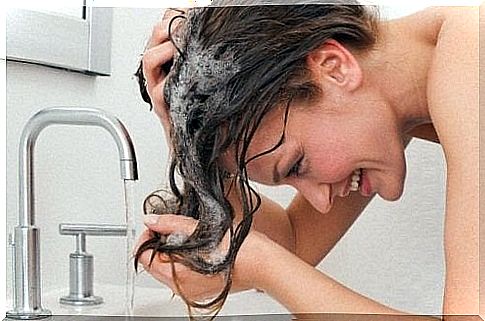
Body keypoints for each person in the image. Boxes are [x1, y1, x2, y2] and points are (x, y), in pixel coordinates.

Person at [134, 1, 480, 319]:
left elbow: (278, 259)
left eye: (297, 165)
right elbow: (294, 244)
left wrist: (261, 264)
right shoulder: (417, 88)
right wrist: (187, 141)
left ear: (334, 68)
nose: (322, 201)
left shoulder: (472, 52)